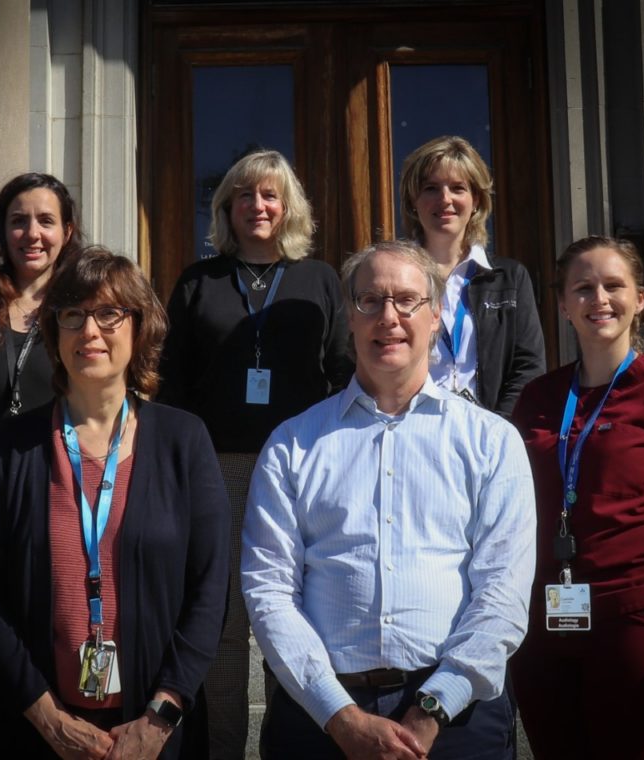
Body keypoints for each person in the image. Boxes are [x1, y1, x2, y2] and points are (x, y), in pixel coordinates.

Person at [242, 240, 536, 760]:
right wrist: (340, 715)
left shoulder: (491, 441)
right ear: (349, 318)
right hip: (320, 716)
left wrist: (431, 710)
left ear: (437, 315)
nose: (388, 317)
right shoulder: (292, 443)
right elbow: (269, 591)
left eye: (407, 300)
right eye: (369, 301)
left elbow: (503, 595)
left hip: (457, 718)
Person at [0, 247, 230, 759]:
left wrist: (160, 718)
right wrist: (44, 714)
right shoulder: (11, 444)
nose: (90, 331)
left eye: (109, 314)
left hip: (156, 735)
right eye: (73, 315)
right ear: (54, 332)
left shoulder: (184, 439)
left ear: (140, 327)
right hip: (38, 731)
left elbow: (211, 587)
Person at [157, 149, 352, 759]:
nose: (257, 207)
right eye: (244, 196)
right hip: (218, 468)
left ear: (287, 205)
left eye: (269, 196)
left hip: (303, 468)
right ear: (226, 209)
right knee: (222, 624)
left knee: (295, 613)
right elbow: (172, 382)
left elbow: (344, 369)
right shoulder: (199, 280)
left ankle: (290, 747)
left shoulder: (320, 278)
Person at [510, 235, 644, 759]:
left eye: (613, 285)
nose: (598, 298)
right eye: (582, 287)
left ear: (641, 299)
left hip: (636, 630)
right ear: (562, 304)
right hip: (544, 630)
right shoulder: (538, 398)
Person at [399, 135, 545, 415]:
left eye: (458, 188)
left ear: (476, 200)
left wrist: (495, 429)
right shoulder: (393, 279)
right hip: (411, 428)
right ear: (413, 201)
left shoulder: (509, 278)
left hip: (487, 436)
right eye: (431, 188)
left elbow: (528, 366)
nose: (445, 199)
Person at [0, 171, 84, 422]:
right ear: (3, 231)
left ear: (67, 232)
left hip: (60, 458)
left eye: (46, 221)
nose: (32, 233)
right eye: (19, 221)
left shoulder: (85, 315)